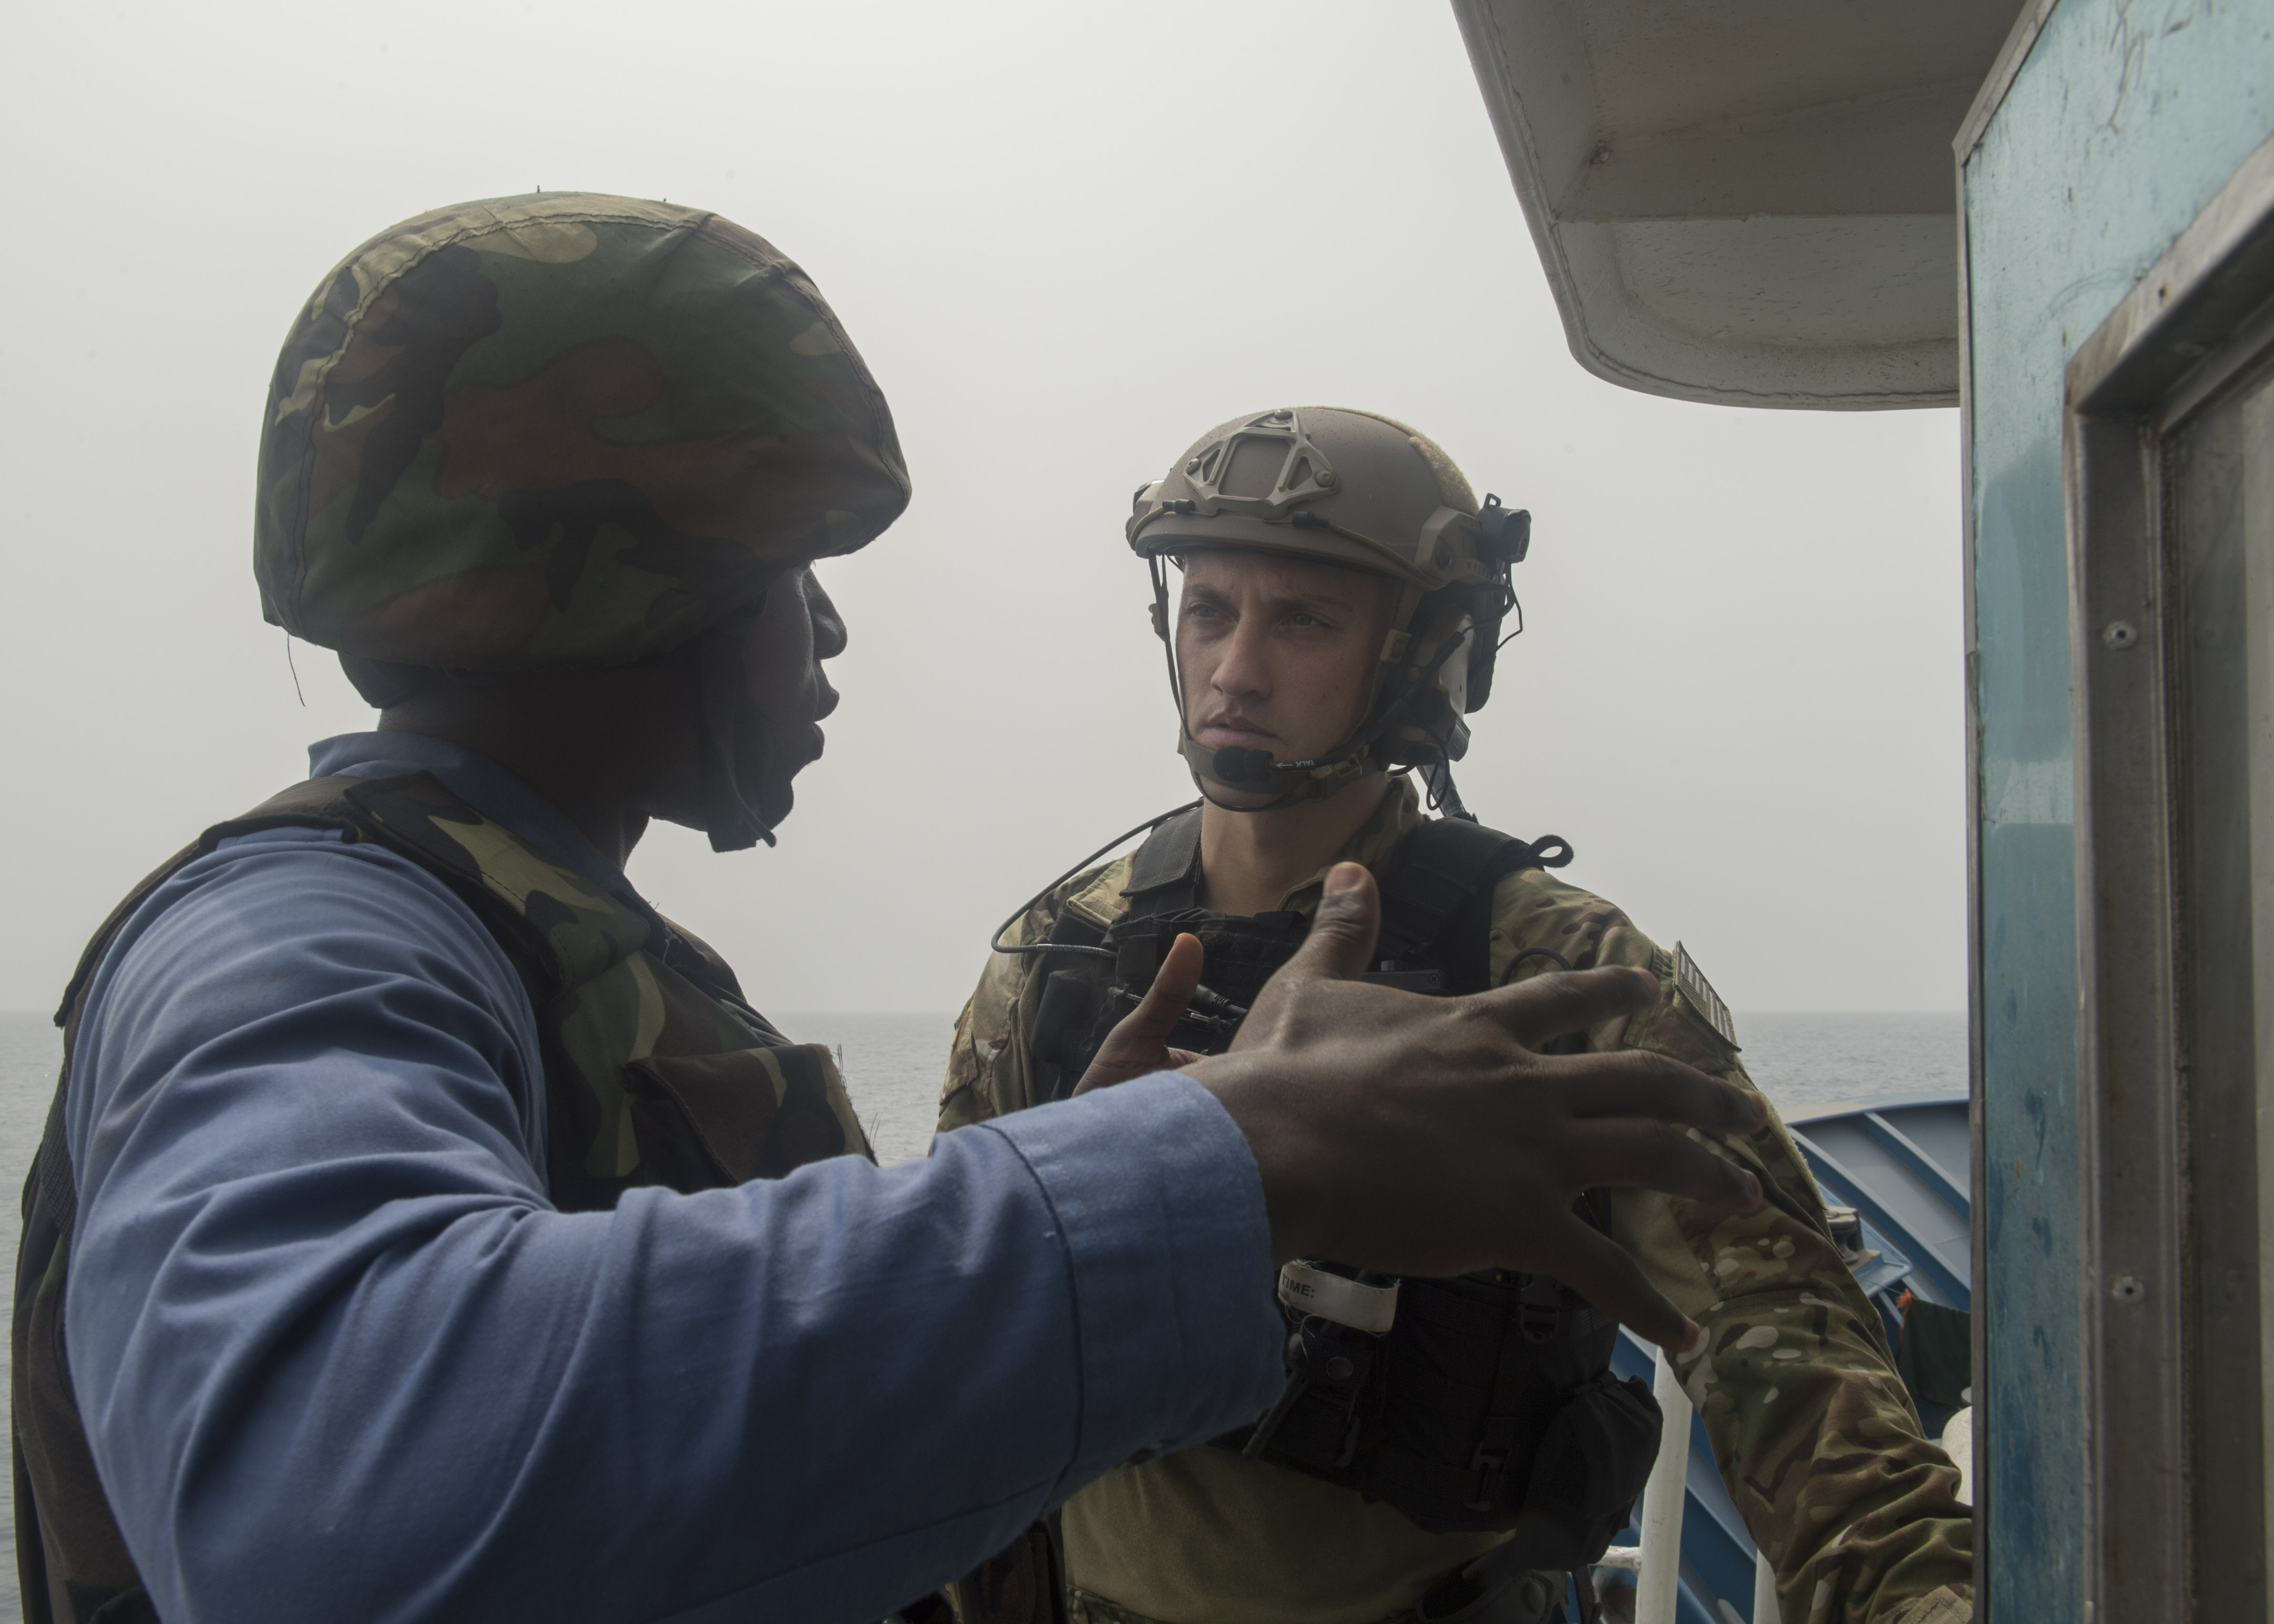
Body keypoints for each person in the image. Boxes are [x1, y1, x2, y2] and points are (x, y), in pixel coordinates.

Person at [9, 201, 1768, 1624]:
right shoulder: (302, 942)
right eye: (789, 572)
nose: (831, 629)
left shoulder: (528, 935)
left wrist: (1099, 1170)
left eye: (1296, 617)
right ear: (625, 589)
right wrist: (1227, 1163)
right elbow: (339, 1510)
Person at [940, 407, 1974, 1624]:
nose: (1234, 670)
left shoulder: (1552, 972)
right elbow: (943, 1335)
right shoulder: (1060, 958)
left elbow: (1792, 1365)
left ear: (1428, 654)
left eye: (1303, 620)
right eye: (1208, 609)